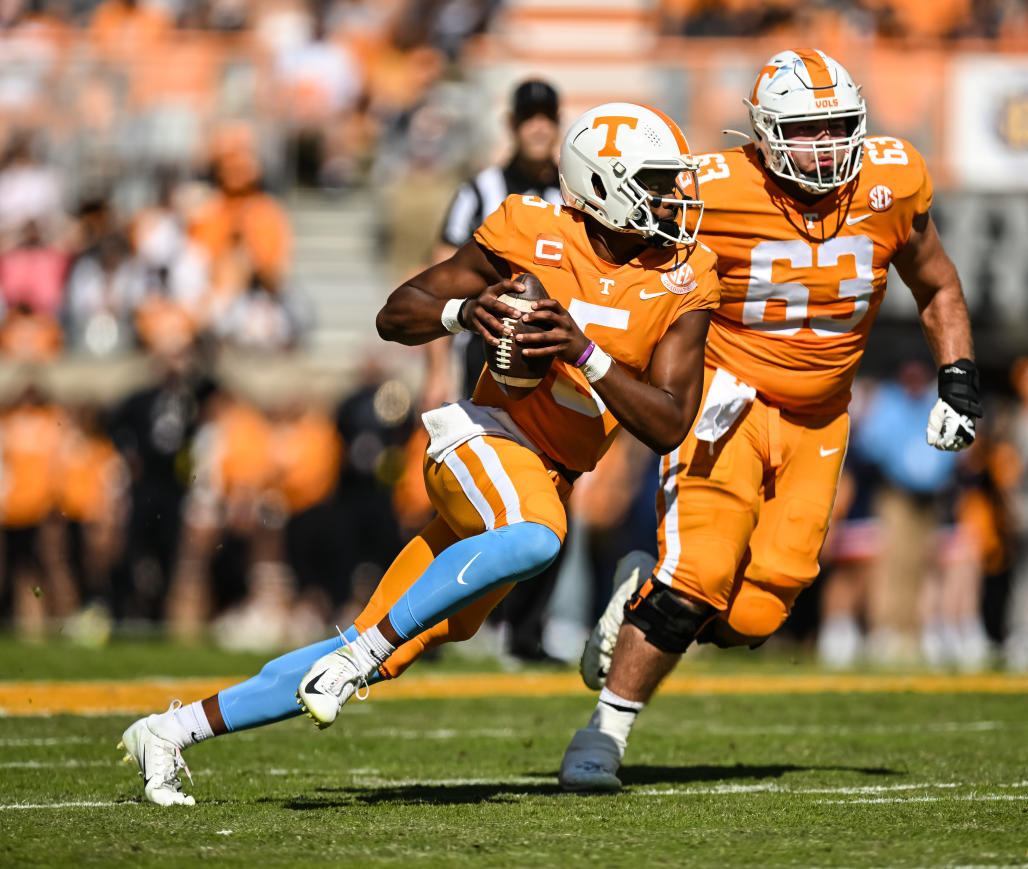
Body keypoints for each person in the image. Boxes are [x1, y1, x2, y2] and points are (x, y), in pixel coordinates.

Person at [117, 101, 720, 807]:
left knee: (387, 637)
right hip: (482, 437)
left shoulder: (685, 273)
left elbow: (670, 422)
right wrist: (462, 313)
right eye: (652, 181)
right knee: (535, 536)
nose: (670, 198)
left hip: (547, 472)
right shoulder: (531, 231)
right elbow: (396, 312)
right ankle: (357, 657)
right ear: (602, 184)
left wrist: (582, 350)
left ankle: (169, 730)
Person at [558, 49, 981, 791]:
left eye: (836, 128)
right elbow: (609, 238)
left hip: (821, 417)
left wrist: (958, 379)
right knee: (699, 574)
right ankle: (604, 731)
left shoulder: (890, 178)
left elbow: (937, 283)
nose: (823, 148)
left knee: (755, 612)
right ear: (759, 134)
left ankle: (642, 597)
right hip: (726, 401)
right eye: (803, 131)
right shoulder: (708, 187)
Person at [425, 79, 566, 661]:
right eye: (528, 116)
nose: (538, 126)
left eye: (547, 116)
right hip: (482, 361)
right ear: (512, 124)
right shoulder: (480, 189)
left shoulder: (574, 188)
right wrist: (436, 367)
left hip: (551, 366)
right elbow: (436, 274)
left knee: (554, 492)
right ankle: (426, 625)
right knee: (461, 490)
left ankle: (526, 634)